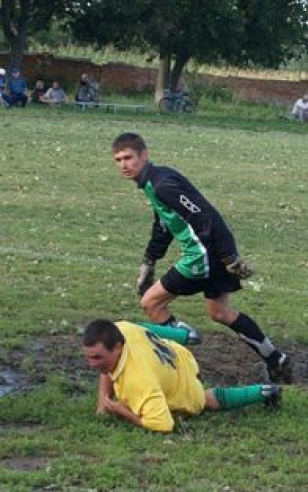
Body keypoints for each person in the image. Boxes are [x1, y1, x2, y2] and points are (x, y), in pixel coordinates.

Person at [111, 132, 293, 384]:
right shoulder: (155, 183)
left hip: (202, 257)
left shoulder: (163, 184)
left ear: (144, 155)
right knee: (220, 312)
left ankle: (184, 359)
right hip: (212, 254)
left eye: (128, 157)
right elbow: (164, 224)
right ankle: (276, 359)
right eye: (118, 160)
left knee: (151, 304)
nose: (124, 165)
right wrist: (149, 261)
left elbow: (206, 215)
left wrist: (229, 256)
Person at [82, 319, 282, 433]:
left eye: (97, 357)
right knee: (109, 364)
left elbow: (164, 425)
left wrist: (120, 410)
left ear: (117, 347)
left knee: (204, 400)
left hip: (179, 382)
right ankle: (185, 334)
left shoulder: (140, 381)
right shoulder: (121, 329)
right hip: (176, 354)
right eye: (89, 357)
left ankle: (264, 392)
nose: (92, 364)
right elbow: (146, 328)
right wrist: (102, 404)